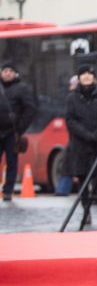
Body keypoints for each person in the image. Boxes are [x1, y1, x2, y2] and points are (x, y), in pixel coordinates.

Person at [62, 64, 97, 220]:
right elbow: (70, 120)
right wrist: (86, 134)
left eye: (89, 73)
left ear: (94, 76)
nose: (87, 76)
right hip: (81, 145)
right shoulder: (71, 98)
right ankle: (86, 212)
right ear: (79, 78)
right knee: (83, 181)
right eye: (83, 74)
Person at [0, 61, 36, 202]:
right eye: (4, 70)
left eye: (10, 70)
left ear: (15, 73)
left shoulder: (22, 88)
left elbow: (30, 109)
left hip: (12, 133)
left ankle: (8, 191)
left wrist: (20, 129)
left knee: (12, 162)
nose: (7, 73)